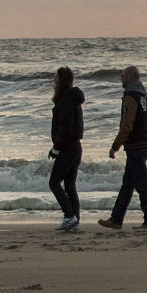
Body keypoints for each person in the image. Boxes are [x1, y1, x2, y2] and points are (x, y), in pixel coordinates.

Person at [98, 65, 147, 230]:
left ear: (129, 78)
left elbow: (126, 124)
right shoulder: (144, 96)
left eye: (122, 76)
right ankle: (116, 219)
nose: (121, 79)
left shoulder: (130, 97)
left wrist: (115, 146)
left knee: (141, 184)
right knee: (128, 184)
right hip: (144, 144)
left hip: (136, 146)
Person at [49, 66, 84, 231]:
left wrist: (56, 148)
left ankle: (69, 216)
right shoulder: (73, 99)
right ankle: (74, 219)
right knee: (70, 184)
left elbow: (65, 129)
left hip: (68, 148)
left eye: (56, 78)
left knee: (54, 182)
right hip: (76, 147)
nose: (54, 81)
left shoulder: (65, 101)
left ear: (60, 81)